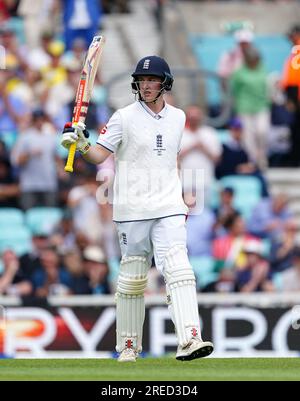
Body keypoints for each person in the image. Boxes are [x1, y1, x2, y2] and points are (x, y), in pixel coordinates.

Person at [61, 55, 214, 362]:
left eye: (152, 80)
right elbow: (100, 155)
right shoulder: (123, 117)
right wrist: (80, 143)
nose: (146, 86)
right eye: (142, 81)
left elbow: (172, 157)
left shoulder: (179, 117)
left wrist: (183, 192)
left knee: (179, 268)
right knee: (132, 278)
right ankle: (128, 346)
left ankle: (190, 338)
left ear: (165, 83)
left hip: (169, 205)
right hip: (132, 210)